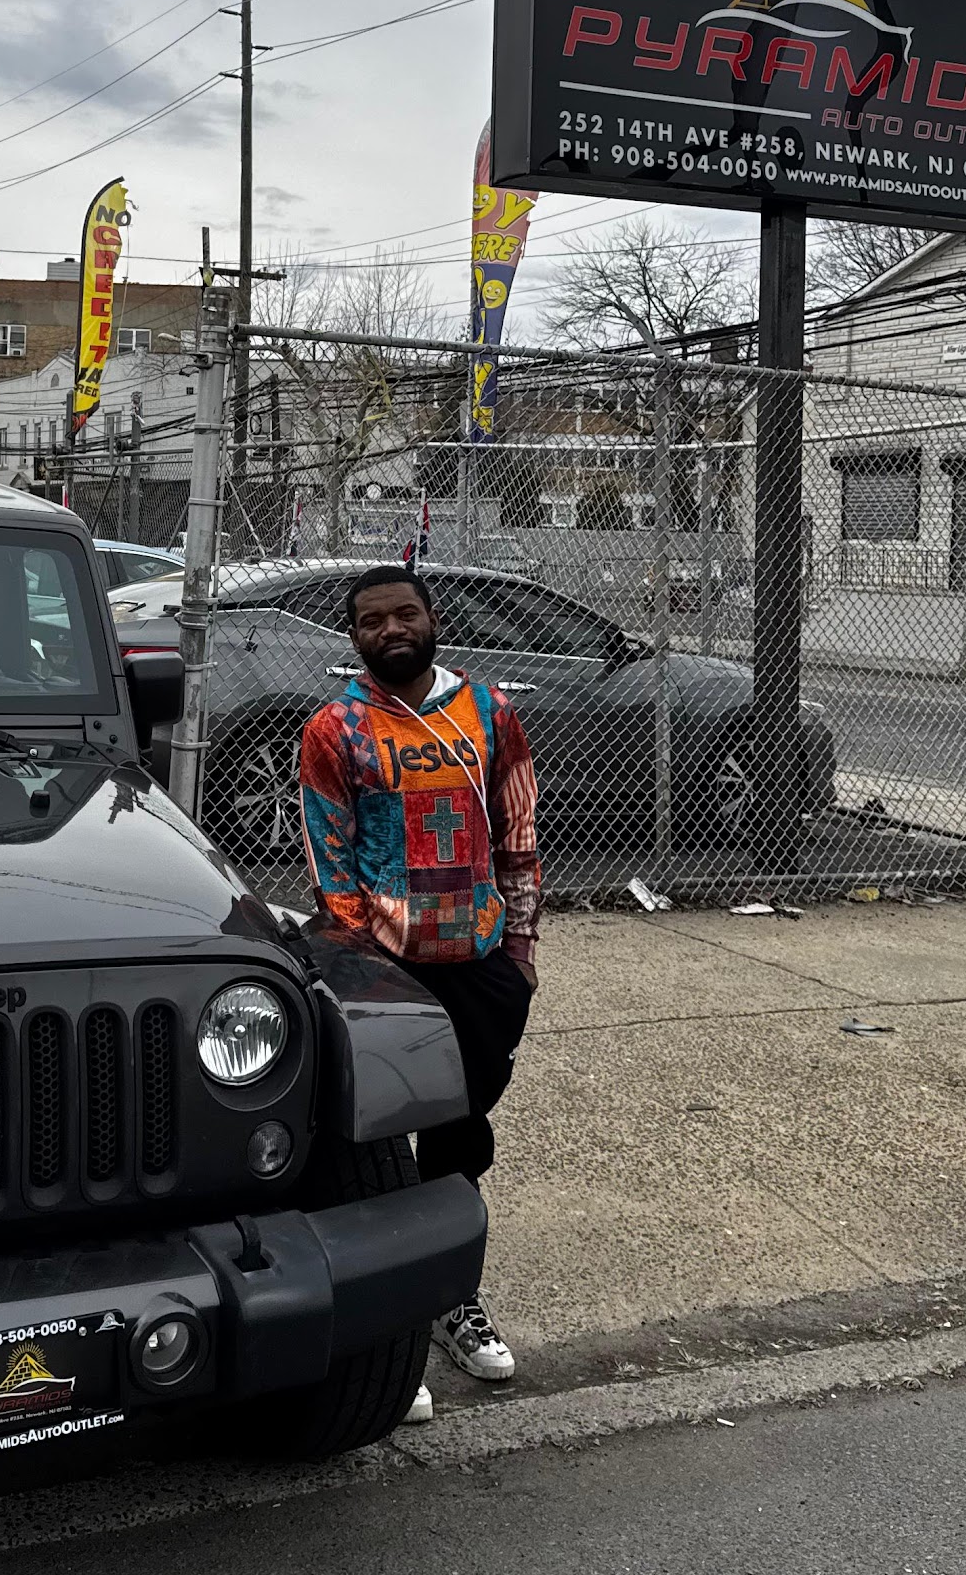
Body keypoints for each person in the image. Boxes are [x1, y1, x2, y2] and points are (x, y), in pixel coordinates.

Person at [296, 564, 540, 1423]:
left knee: (459, 1137)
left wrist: (520, 954)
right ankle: (390, 1330)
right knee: (377, 1146)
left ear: (432, 620)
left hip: (480, 964)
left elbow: (518, 836)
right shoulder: (335, 730)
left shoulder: (491, 713)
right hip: (386, 972)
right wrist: (359, 968)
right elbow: (332, 864)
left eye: (405, 614)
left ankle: (450, 1297)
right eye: (372, 620)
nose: (391, 629)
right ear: (354, 636)